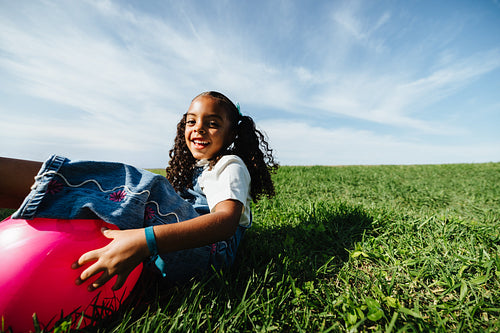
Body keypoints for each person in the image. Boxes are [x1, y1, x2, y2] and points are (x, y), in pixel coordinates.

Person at [0, 91, 278, 291]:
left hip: (210, 252)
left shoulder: (229, 164)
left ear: (231, 135)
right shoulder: (203, 167)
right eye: (191, 121)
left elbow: (226, 222)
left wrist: (144, 241)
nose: (199, 129)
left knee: (140, 187)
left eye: (213, 123)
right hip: (196, 250)